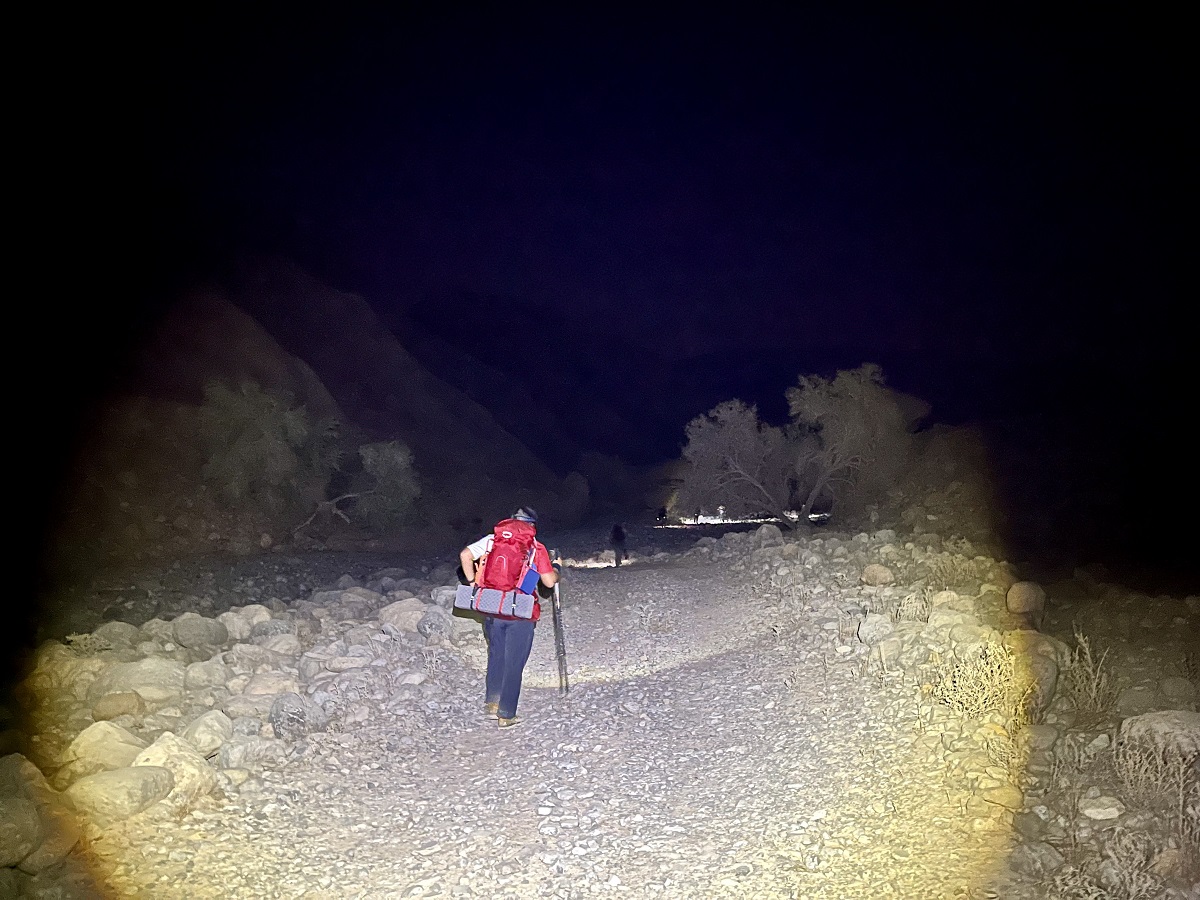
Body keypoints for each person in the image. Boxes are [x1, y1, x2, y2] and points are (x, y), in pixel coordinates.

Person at [458, 507, 560, 729]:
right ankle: (506, 713)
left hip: (491, 606)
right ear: (532, 525)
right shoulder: (535, 547)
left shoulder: (492, 539)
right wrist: (556, 569)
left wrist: (472, 583)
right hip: (520, 610)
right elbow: (549, 582)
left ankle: (492, 703)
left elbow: (465, 555)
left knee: (496, 655)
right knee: (514, 662)